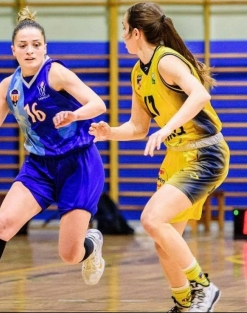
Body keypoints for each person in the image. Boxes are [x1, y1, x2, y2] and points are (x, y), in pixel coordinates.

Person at [0, 6, 106, 312]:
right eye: (23, 46)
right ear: (13, 50)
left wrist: (74, 114)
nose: (30, 50)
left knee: (69, 254)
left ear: (45, 48)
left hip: (78, 164)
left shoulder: (56, 73)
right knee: (2, 225)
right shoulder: (8, 87)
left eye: (36, 45)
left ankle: (91, 243)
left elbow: (98, 103)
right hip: (38, 167)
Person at [89, 2, 230, 312]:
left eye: (124, 30)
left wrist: (165, 129)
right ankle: (183, 304)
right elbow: (138, 128)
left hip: (206, 153)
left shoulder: (167, 60)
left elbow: (200, 94)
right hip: (177, 157)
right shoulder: (138, 73)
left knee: (151, 219)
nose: (122, 36)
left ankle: (204, 288)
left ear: (136, 33)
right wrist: (109, 132)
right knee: (162, 239)